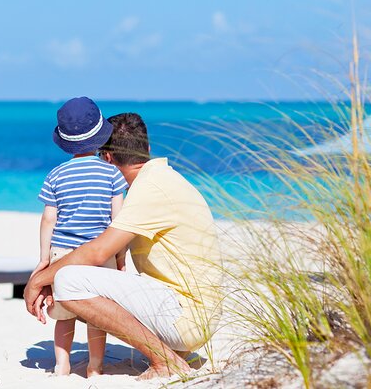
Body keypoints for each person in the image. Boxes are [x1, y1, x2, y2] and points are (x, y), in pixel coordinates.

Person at [25, 112, 223, 380]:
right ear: (147, 149)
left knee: (68, 281)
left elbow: (97, 252)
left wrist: (38, 280)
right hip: (192, 314)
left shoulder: (149, 189)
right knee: (79, 277)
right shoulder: (162, 178)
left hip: (184, 318)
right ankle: (172, 354)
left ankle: (166, 362)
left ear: (106, 158)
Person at [34, 97, 129, 377]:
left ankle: (61, 366)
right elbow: (118, 220)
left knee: (64, 314)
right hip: (100, 252)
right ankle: (94, 367)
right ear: (100, 138)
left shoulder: (56, 175)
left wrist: (44, 259)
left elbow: (48, 219)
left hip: (63, 254)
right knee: (96, 315)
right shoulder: (111, 173)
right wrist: (121, 258)